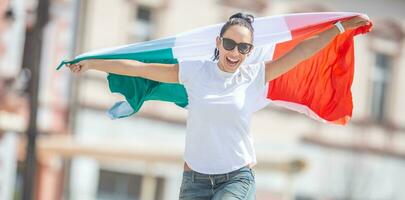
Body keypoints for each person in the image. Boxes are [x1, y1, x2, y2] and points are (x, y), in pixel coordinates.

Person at [68, 12, 370, 200]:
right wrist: (90, 63)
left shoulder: (255, 75)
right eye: (229, 44)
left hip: (236, 178)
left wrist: (340, 28)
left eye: (243, 47)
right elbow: (136, 67)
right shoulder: (194, 72)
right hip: (194, 181)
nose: (235, 52)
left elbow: (303, 51)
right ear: (218, 42)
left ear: (250, 51)